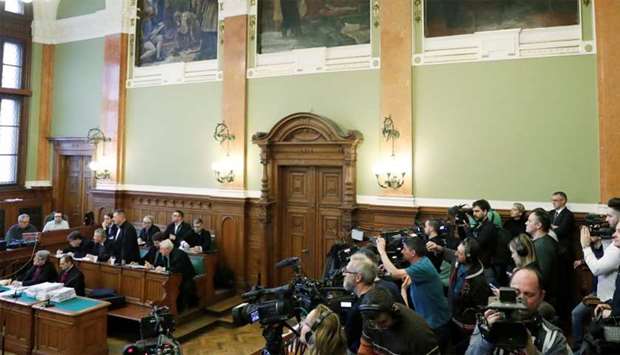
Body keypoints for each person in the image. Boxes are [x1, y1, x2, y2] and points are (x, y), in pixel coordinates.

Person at [466, 267, 571, 355]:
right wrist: (486, 339)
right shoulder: (488, 322)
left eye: (528, 294)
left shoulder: (552, 339)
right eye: (515, 292)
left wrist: (531, 350)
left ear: (541, 296)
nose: (521, 299)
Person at [376, 236, 451, 349]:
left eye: (404, 249)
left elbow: (395, 273)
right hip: (432, 319)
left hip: (436, 324)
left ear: (412, 253)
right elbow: (400, 273)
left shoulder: (422, 266)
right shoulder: (421, 261)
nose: (402, 251)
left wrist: (382, 251)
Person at [572, 197, 620, 352]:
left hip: (609, 299)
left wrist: (586, 247)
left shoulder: (618, 246)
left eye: (610, 216)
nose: (606, 219)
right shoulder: (613, 240)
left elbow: (598, 268)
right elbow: (606, 257)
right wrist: (599, 242)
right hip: (606, 297)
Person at [357, 288, 440, 355]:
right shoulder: (370, 317)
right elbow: (365, 348)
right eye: (373, 323)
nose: (378, 328)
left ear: (394, 313)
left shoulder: (419, 333)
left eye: (383, 322)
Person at [445, 238, 490, 354]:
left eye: (459, 253)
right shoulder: (458, 260)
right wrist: (439, 248)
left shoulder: (479, 281)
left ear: (469, 256)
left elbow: (481, 306)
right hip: (453, 316)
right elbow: (450, 254)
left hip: (465, 325)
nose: (456, 254)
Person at [342, 256, 378, 354]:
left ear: (358, 277)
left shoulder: (358, 310)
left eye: (347, 271)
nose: (344, 274)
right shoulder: (378, 294)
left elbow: (345, 341)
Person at [527, 208, 560, 310]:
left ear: (538, 225)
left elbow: (543, 275)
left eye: (529, 221)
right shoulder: (541, 242)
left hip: (544, 299)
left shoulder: (543, 246)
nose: (526, 223)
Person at [155, 239, 197, 311]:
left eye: (161, 249)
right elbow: (162, 265)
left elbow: (177, 269)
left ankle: (179, 309)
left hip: (185, 278)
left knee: (180, 289)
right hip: (173, 277)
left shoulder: (179, 255)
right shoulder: (165, 254)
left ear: (168, 249)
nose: (160, 251)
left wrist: (164, 269)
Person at [468, 200, 499, 284]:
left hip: (486, 268)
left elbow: (476, 244)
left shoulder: (489, 227)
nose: (474, 214)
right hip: (479, 266)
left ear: (485, 211)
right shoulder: (479, 225)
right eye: (473, 211)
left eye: (477, 211)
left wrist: (468, 231)